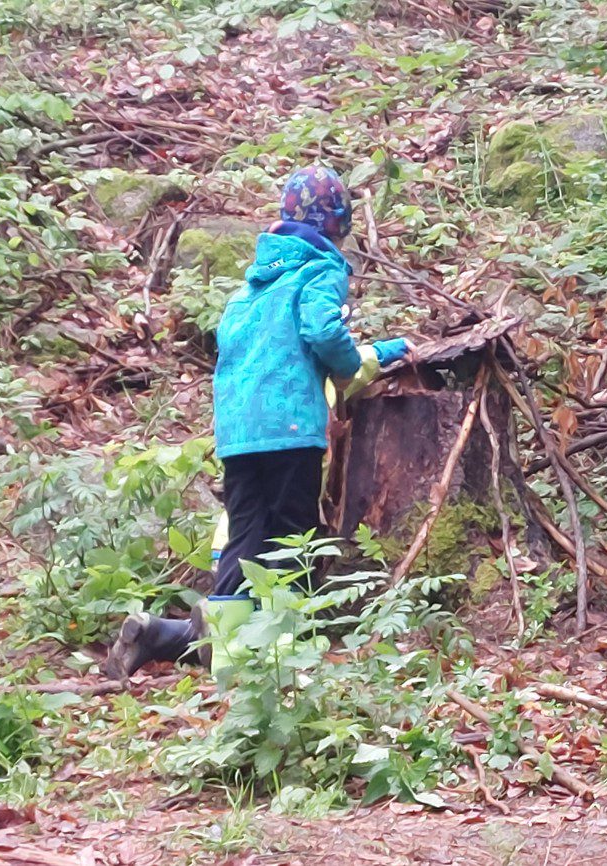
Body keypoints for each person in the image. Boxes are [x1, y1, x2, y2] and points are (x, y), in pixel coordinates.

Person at [106, 165, 413, 679]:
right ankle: (283, 654)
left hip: (238, 434)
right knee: (294, 535)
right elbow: (322, 332)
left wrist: (374, 352)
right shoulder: (321, 268)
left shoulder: (253, 286)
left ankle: (224, 659)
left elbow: (244, 352)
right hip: (290, 428)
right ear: (336, 226)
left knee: (245, 533)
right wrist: (347, 364)